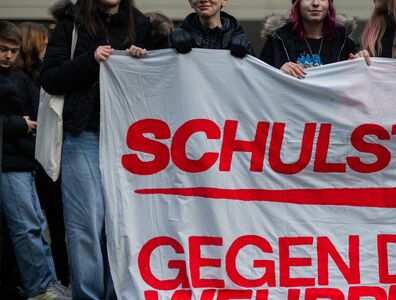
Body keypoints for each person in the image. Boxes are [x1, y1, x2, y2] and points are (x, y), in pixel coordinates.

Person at [40, 0, 156, 298]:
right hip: (83, 135)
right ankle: (90, 294)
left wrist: (139, 61)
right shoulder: (71, 22)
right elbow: (50, 79)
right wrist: (90, 60)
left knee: (122, 222)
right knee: (85, 226)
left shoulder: (140, 24)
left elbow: (154, 85)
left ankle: (116, 292)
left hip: (128, 140)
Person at [0, 20, 69, 300]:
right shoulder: (16, 79)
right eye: (3, 49)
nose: (8, 55)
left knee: (37, 226)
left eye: (12, 51)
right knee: (28, 227)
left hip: (21, 161)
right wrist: (20, 125)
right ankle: (41, 288)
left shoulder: (15, 78)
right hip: (11, 163)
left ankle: (47, 284)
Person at [259, 0, 358, 78]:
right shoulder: (277, 41)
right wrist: (278, 72)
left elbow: (356, 84)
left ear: (329, 4)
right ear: (297, 3)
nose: (315, 3)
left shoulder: (344, 43)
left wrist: (361, 61)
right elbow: (260, 79)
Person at [170, 0, 254, 58]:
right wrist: (167, 43)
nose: (203, 0)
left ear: (224, 0)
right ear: (190, 1)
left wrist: (248, 52)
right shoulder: (176, 39)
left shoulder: (240, 41)